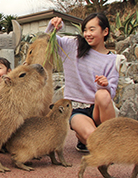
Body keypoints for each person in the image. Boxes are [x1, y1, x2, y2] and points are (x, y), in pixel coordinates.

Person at [47, 13, 119, 153]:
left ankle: (110, 138)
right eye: (85, 30)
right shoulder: (74, 46)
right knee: (93, 138)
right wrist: (53, 27)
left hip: (100, 110)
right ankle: (86, 138)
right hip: (79, 110)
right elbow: (49, 43)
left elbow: (112, 92)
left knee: (103, 94)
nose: (87, 34)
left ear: (105, 31)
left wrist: (106, 85)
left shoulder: (112, 59)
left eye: (92, 29)